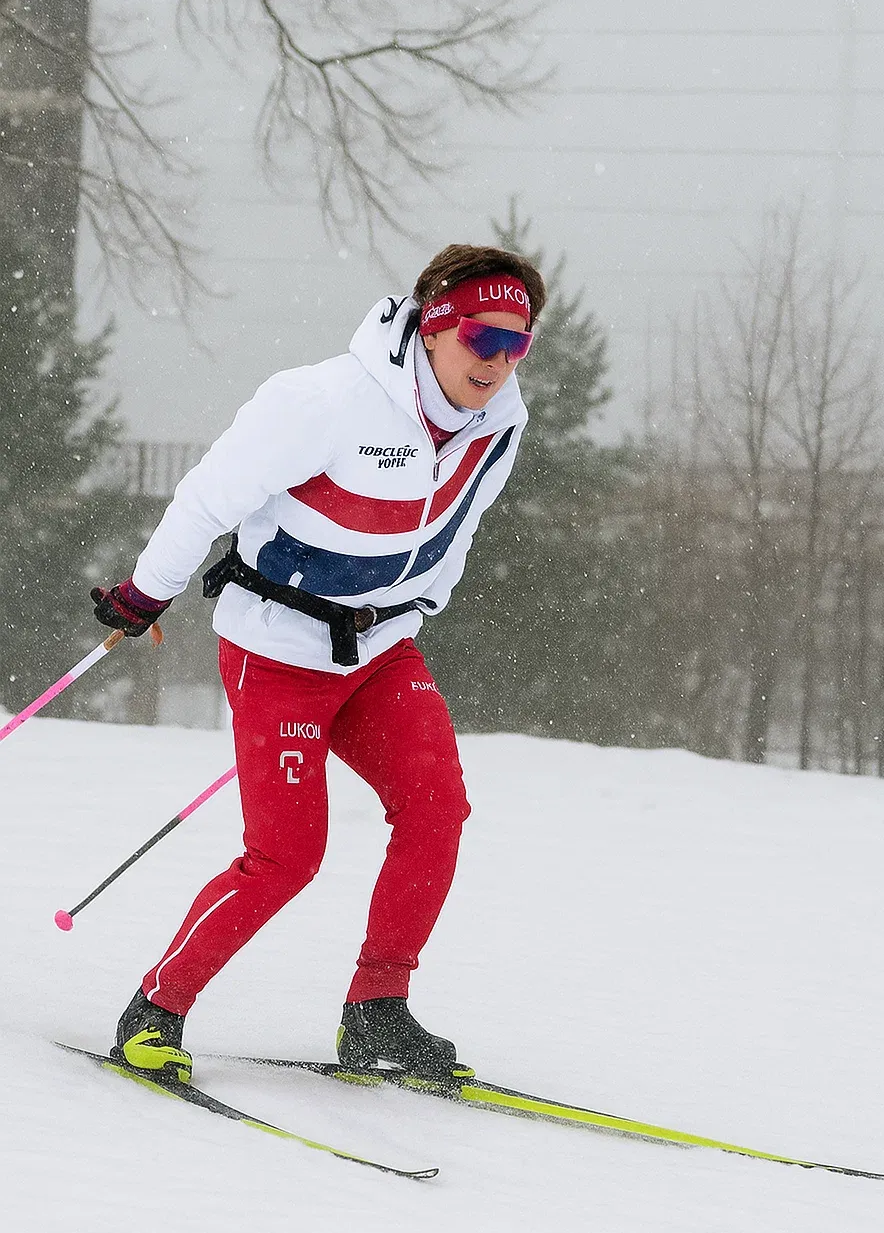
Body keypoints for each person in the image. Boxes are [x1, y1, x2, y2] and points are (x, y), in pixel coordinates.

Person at [92, 244, 545, 1086]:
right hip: (277, 655)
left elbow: (462, 525)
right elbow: (207, 498)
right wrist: (145, 594)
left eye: (517, 343)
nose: (498, 361)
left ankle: (377, 1010)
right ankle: (156, 1009)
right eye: (483, 338)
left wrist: (417, 607)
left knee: (437, 810)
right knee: (288, 856)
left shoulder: (500, 422)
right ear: (436, 326)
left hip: (380, 651)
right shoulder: (324, 400)